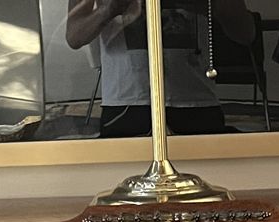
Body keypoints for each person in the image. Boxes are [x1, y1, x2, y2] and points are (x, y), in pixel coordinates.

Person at [66, 0, 255, 138]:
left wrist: (210, 7)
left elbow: (246, 33)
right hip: (128, 101)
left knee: (209, 174)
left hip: (195, 99)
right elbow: (74, 36)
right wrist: (109, 9)